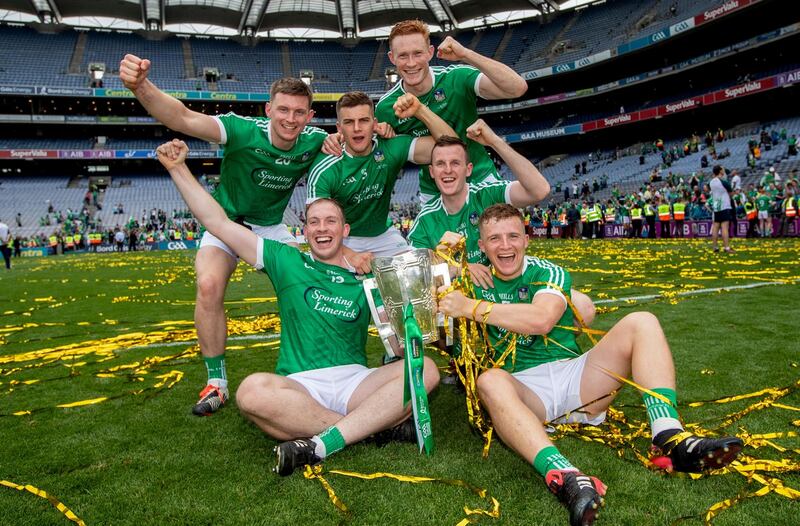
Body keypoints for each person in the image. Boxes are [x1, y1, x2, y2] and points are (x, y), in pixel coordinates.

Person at [437, 204, 743, 526]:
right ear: (481, 246)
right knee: (489, 381)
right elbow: (429, 315)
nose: (505, 246)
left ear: (527, 239)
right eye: (494, 239)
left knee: (642, 321)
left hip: (576, 378)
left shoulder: (547, 271)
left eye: (513, 236)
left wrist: (470, 307)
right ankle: (566, 476)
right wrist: (443, 258)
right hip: (526, 393)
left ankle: (669, 436)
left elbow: (542, 320)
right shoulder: (472, 280)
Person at [156, 139, 440, 476]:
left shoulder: (367, 276)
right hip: (300, 386)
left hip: (354, 382)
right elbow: (218, 223)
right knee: (251, 392)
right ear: (304, 231)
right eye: (314, 222)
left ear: (345, 230)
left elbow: (400, 345)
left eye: (330, 221)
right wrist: (178, 169)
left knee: (427, 369)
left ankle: (325, 441)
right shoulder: (287, 260)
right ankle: (367, 429)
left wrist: (407, 305)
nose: (322, 229)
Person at [121, 55, 336, 415]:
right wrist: (140, 86)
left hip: (270, 227)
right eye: (283, 110)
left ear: (310, 116)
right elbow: (182, 117)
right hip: (224, 223)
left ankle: (317, 373)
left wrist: (353, 136)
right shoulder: (241, 129)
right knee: (208, 285)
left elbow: (353, 138)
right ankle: (216, 384)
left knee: (308, 288)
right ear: (268, 109)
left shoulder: (315, 140)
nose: (290, 119)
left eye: (300, 113)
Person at [376, 20, 527, 203]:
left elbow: (517, 88)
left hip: (480, 177)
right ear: (392, 58)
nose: (411, 63)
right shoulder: (386, 107)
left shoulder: (456, 78)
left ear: (430, 52)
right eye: (402, 56)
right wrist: (386, 135)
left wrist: (466, 54)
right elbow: (380, 154)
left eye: (418, 53)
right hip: (434, 192)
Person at [307, 91, 455, 272]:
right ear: (339, 128)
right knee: (337, 284)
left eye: (364, 120)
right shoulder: (325, 168)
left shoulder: (390, 147)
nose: (357, 128)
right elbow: (316, 230)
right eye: (349, 122)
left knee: (421, 271)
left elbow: (452, 146)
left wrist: (420, 110)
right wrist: (350, 255)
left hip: (384, 236)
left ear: (375, 123)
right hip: (342, 240)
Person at [709, 165, 734, 252]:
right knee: (724, 227)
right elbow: (731, 193)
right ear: (720, 171)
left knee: (715, 226)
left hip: (716, 206)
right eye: (722, 169)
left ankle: (715, 247)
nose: (724, 170)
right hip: (724, 205)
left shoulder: (711, 182)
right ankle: (726, 247)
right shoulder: (723, 181)